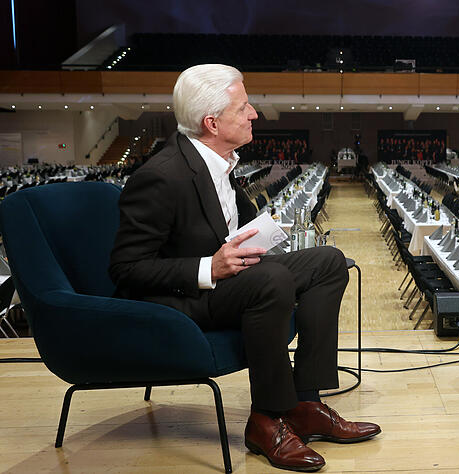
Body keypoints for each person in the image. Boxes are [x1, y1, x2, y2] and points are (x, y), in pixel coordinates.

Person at [109, 64, 380, 472]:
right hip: (183, 297)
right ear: (212, 122)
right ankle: (267, 418)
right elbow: (126, 269)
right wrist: (209, 267)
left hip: (231, 281)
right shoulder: (161, 177)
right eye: (244, 107)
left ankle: (305, 402)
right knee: (272, 279)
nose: (254, 113)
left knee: (328, 261)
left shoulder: (220, 163)